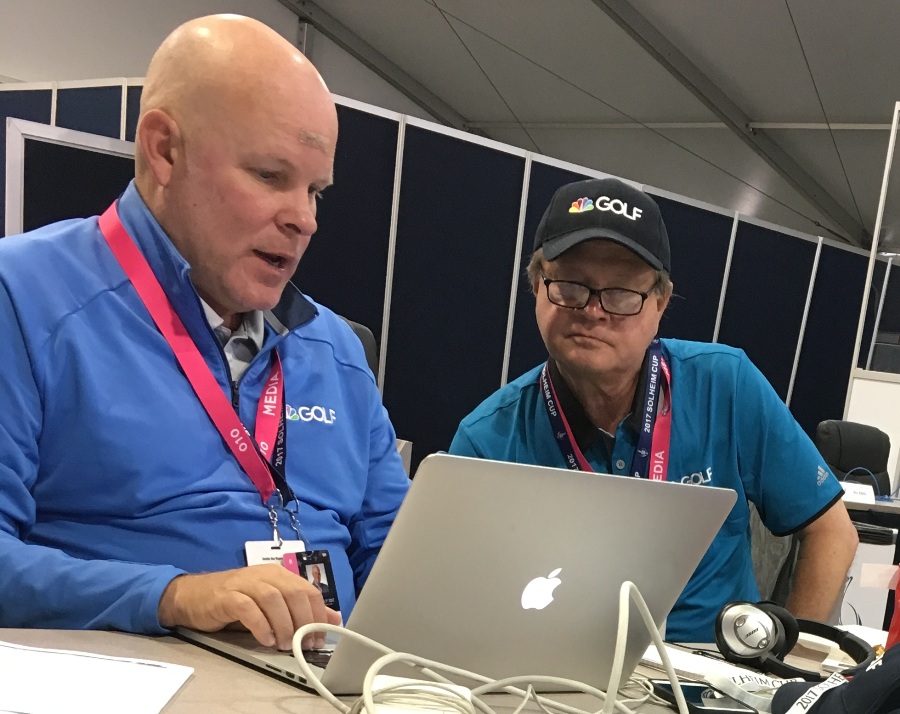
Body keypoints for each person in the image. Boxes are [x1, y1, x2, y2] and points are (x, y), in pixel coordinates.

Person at [0, 15, 410, 653]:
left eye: (316, 191)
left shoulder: (335, 349)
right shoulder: (23, 298)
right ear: (164, 149)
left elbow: (398, 551)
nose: (304, 219)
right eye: (271, 176)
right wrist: (173, 596)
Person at [449, 177, 858, 642]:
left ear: (660, 302)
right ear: (537, 287)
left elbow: (832, 533)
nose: (593, 311)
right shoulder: (486, 440)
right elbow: (458, 601)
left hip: (713, 682)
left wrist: (784, 669)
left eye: (622, 293)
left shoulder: (725, 384)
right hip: (556, 686)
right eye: (570, 285)